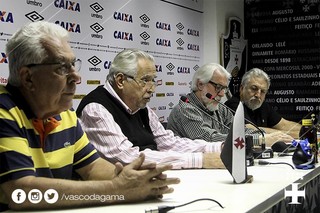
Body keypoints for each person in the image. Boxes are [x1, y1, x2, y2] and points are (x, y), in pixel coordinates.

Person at [0, 21, 180, 211]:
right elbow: (21, 193)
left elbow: (92, 167)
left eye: (73, 64)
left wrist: (134, 179)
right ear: (28, 77)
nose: (76, 77)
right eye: (62, 67)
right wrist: (116, 189)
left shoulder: (64, 114)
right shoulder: (4, 111)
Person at [76, 48, 225, 170]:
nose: (152, 89)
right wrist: (199, 160)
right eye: (145, 80)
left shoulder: (141, 107)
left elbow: (167, 142)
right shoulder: (96, 109)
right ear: (120, 81)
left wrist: (218, 147)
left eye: (153, 80)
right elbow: (128, 158)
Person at [167, 63, 294, 147]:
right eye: (218, 87)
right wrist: (259, 140)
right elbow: (209, 139)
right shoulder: (186, 109)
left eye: (224, 89)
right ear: (200, 84)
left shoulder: (220, 108)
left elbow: (240, 130)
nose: (222, 94)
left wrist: (264, 136)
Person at [224, 68, 301, 138]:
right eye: (254, 89)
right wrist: (288, 135)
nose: (258, 95)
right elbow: (250, 130)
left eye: (263, 91)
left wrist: (306, 130)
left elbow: (284, 125)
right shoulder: (233, 105)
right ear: (242, 88)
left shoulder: (262, 105)